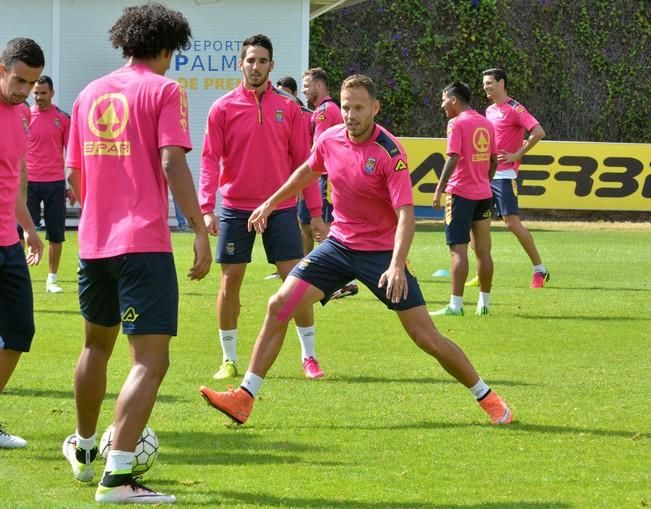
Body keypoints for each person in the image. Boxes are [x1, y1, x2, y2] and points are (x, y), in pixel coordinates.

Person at [199, 74, 513, 428]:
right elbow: (306, 170)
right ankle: (245, 397)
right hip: (338, 246)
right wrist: (270, 203)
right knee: (279, 304)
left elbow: (405, 215)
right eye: (346, 107)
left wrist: (396, 265)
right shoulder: (330, 138)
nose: (350, 115)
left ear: (375, 108)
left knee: (426, 337)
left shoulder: (389, 152)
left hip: (381, 254)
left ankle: (488, 397)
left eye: (359, 108)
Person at [62, 4, 211, 504]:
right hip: (142, 245)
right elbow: (172, 161)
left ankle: (84, 453)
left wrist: (99, 211)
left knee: (95, 348)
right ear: (167, 48)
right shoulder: (165, 90)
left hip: (92, 245)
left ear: (126, 43)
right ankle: (118, 477)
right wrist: (198, 227)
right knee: (150, 360)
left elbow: (73, 178)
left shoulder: (87, 94)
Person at [200, 34, 327, 381]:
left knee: (296, 281)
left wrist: (315, 213)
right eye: (250, 60)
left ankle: (309, 356)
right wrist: (207, 206)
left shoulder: (288, 108)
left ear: (272, 65)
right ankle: (228, 359)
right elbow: (210, 159)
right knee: (230, 282)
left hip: (282, 208)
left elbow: (306, 163)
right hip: (236, 209)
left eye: (262, 61)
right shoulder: (222, 108)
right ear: (240, 64)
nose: (256, 66)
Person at [0, 37, 45, 448]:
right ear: (2, 69)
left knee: (19, 330)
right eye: (18, 80)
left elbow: (13, 179)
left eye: (30, 84)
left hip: (8, 241)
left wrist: (29, 228)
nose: (24, 90)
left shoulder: (21, 115)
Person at [430, 82, 497, 317]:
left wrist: (439, 189)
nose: (442, 105)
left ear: (454, 100)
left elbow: (453, 157)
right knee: (483, 251)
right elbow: (493, 160)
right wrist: (484, 182)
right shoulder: (486, 123)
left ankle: (455, 306)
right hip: (484, 194)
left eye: (444, 100)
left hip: (460, 194)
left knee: (458, 251)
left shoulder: (456, 123)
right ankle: (484, 304)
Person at [480, 67, 549, 288]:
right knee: (477, 224)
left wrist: (518, 154)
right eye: (484, 84)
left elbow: (538, 132)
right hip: (484, 175)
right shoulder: (489, 110)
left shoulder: (514, 108)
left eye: (489, 83)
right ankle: (483, 271)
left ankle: (540, 270)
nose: (486, 87)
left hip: (503, 175)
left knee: (512, 223)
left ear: (501, 83)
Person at [301, 68, 358, 299]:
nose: (304, 89)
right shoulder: (324, 110)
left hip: (325, 179)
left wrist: (306, 180)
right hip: (327, 178)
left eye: (307, 85)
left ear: (319, 85)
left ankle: (342, 281)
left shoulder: (325, 111)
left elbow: (319, 151)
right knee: (313, 226)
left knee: (323, 227)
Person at [25, 75, 71, 293]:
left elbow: (72, 154)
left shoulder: (62, 118)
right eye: (36, 93)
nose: (39, 97)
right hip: (28, 183)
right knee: (19, 232)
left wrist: (71, 186)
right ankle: (19, 275)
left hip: (55, 183)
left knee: (55, 233)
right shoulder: (23, 115)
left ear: (51, 93)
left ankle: (52, 279)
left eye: (43, 93)